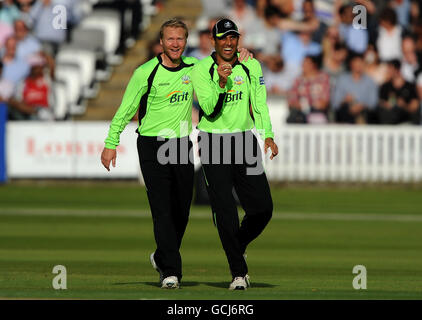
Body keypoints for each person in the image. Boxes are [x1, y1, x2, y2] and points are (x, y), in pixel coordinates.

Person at [100, 19, 252, 290]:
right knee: (162, 210)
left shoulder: (194, 68)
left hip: (181, 145)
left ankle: (161, 256)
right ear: (161, 42)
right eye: (170, 39)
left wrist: (243, 55)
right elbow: (125, 110)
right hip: (152, 145)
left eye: (180, 39)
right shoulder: (145, 72)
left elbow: (220, 60)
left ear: (185, 41)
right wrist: (111, 142)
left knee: (182, 210)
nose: (175, 44)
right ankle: (171, 272)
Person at [191, 18, 278, 290]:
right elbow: (209, 109)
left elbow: (260, 105)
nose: (228, 43)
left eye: (233, 37)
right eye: (223, 38)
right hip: (214, 143)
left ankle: (236, 245)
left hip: (245, 142)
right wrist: (221, 80)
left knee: (263, 208)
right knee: (225, 211)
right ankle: (238, 273)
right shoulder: (201, 69)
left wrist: (268, 135)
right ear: (213, 40)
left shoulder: (251, 65)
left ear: (238, 40)